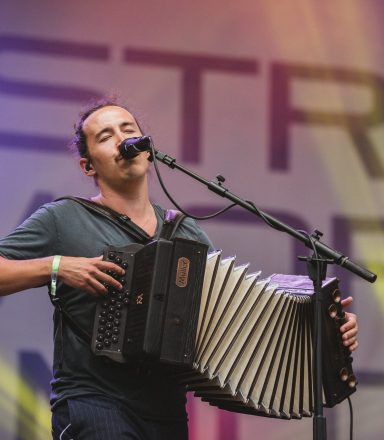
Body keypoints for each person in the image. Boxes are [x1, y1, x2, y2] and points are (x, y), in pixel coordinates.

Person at [0, 100, 359, 439]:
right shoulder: (63, 218)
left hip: (167, 411)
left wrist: (325, 334)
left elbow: (228, 325)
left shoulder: (187, 233)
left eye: (129, 129)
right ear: (88, 165)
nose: (123, 139)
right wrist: (56, 266)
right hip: (93, 402)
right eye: (106, 136)